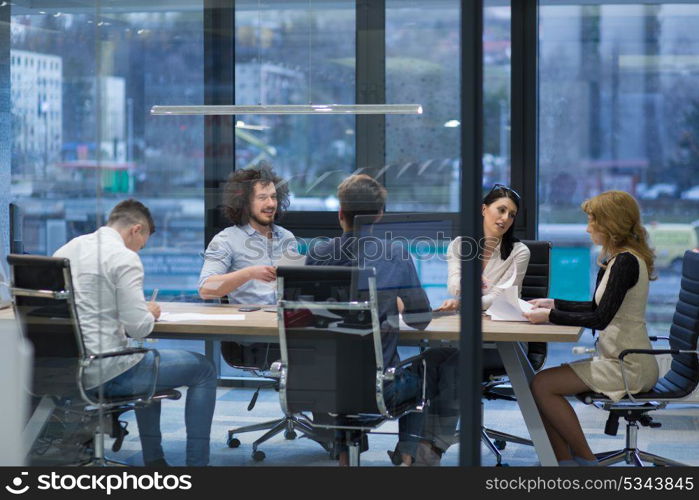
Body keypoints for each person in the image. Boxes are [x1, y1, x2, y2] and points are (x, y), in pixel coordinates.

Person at [306, 174, 456, 466]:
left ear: (340, 213)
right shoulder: (395, 255)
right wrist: (396, 302)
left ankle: (346, 456)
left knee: (345, 365)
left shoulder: (317, 254)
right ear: (379, 216)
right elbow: (420, 321)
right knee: (430, 366)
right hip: (380, 389)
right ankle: (408, 458)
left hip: (323, 385)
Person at [54, 199, 217, 466]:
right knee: (204, 368)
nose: (140, 250)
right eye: (142, 244)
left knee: (146, 360)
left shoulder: (67, 249)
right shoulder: (124, 258)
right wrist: (148, 312)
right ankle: (197, 465)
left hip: (65, 369)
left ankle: (155, 460)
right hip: (105, 372)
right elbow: (138, 327)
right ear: (136, 230)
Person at [524, 190, 659, 466]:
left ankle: (584, 462)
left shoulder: (625, 262)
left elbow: (599, 319)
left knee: (542, 384)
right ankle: (565, 464)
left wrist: (550, 315)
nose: (587, 228)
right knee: (540, 385)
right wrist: (552, 303)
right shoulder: (621, 258)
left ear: (611, 223)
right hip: (620, 359)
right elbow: (597, 307)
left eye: (592, 221)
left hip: (628, 366)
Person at [198, 163, 299, 304]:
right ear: (244, 203)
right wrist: (249, 274)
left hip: (284, 319)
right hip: (248, 321)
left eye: (274, 197)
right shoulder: (225, 240)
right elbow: (205, 289)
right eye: (262, 197)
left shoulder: (287, 237)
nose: (271, 204)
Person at [436, 183, 531, 312]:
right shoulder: (459, 244)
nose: (505, 218)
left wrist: (464, 300)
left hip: (503, 319)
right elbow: (453, 285)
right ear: (484, 210)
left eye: (512, 215)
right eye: (501, 210)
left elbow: (501, 298)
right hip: (466, 318)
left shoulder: (520, 252)